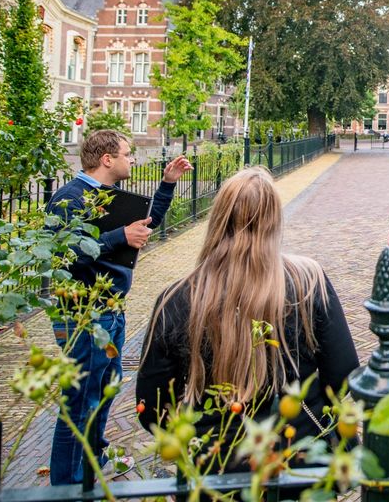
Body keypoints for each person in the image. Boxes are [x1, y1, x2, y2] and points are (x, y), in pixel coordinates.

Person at [136, 167, 359, 473]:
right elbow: (343, 373)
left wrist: (195, 435)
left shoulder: (175, 299)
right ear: (274, 221)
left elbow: (152, 407)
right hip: (299, 456)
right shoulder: (308, 282)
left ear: (218, 219)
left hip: (216, 463)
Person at [46, 129, 192, 486]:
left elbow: (145, 224)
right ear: (107, 159)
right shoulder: (71, 197)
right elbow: (64, 252)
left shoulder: (106, 196)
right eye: (128, 154)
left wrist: (167, 184)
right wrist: (118, 237)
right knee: (79, 402)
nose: (132, 159)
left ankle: (92, 461)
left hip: (110, 310)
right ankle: (66, 485)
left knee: (104, 389)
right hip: (82, 315)